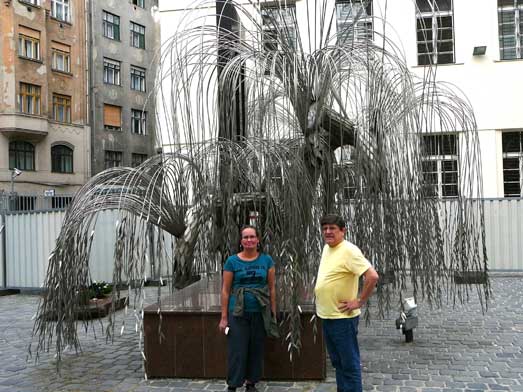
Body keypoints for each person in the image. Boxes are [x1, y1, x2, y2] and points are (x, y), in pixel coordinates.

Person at [314, 214, 379, 392]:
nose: (327, 232)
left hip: (342, 318)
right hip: (327, 315)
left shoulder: (349, 250)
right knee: (338, 363)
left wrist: (359, 301)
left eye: (332, 228)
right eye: (325, 228)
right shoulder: (327, 248)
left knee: (348, 364)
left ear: (343, 231)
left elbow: (372, 276)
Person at [219, 225, 278, 392]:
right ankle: (233, 384)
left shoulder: (267, 260)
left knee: (256, 347)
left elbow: (272, 288)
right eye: (245, 237)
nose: (249, 240)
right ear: (241, 241)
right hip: (237, 312)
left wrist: (273, 311)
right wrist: (224, 317)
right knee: (237, 349)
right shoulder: (232, 261)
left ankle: (251, 383)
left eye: (252, 237)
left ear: (258, 240)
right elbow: (225, 290)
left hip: (260, 310)